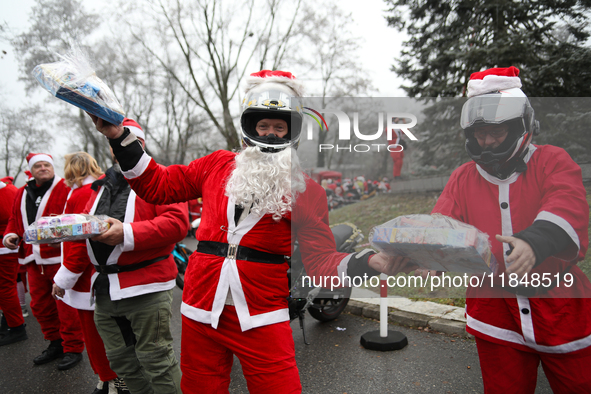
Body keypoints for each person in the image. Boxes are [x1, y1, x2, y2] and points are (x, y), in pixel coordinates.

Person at [88, 70, 412, 393]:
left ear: (292, 132)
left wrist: (369, 262)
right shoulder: (216, 164)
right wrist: (119, 136)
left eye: (279, 126)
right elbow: (158, 184)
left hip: (262, 312)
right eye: (263, 125)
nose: (270, 134)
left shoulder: (307, 190)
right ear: (248, 128)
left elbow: (321, 261)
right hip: (201, 309)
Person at [432, 66, 591, 393]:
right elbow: (442, 222)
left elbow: (568, 203)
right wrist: (428, 253)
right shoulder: (463, 177)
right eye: (479, 133)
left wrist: (536, 242)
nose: (486, 142)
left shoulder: (552, 161)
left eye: (496, 131)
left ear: (521, 126)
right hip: (494, 312)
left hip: (560, 308)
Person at [54, 120, 188, 394]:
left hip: (147, 286)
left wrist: (126, 233)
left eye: (131, 141)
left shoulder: (163, 177)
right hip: (104, 290)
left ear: (142, 144)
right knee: (123, 363)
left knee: (157, 360)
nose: (122, 148)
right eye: (116, 143)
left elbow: (176, 223)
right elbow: (86, 230)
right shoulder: (100, 186)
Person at [50, 152, 128, 394]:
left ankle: (111, 379)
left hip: (87, 278)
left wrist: (64, 278)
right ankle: (109, 379)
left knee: (98, 336)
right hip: (95, 274)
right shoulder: (89, 190)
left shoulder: (84, 193)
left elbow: (79, 246)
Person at [2, 153, 85, 369]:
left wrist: (65, 237)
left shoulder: (65, 187)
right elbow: (14, 219)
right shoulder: (22, 192)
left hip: (59, 258)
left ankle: (73, 347)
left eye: (46, 164)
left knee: (66, 306)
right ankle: (55, 343)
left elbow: (78, 217)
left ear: (52, 167)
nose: (43, 168)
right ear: (32, 169)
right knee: (40, 305)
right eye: (38, 165)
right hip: (33, 259)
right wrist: (10, 235)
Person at [0, 176, 27, 346]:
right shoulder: (11, 190)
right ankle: (9, 321)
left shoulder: (5, 192)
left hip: (5, 246)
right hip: (9, 244)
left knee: (5, 287)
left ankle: (16, 326)